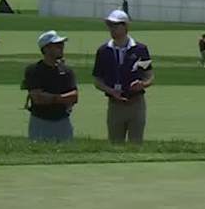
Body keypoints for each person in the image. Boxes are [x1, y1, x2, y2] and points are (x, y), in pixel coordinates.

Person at [91, 8, 153, 143]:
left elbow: (149, 76)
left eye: (115, 25)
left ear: (125, 26)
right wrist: (111, 91)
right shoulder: (103, 51)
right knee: (115, 144)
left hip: (136, 103)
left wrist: (142, 84)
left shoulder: (140, 49)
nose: (112, 29)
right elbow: (97, 80)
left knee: (136, 144)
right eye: (110, 25)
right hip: (115, 105)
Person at [23, 31, 79, 142]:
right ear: (46, 49)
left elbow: (74, 97)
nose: (61, 47)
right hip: (40, 121)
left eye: (61, 44)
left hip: (63, 121)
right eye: (57, 45)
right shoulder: (34, 70)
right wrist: (62, 98)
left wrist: (50, 98)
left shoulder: (67, 71)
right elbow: (38, 98)